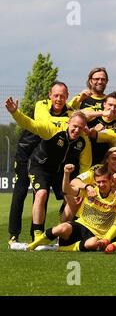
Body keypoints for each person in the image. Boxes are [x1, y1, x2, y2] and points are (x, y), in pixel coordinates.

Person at [5, 97, 92, 241]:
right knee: (42, 193)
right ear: (68, 122)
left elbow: (85, 168)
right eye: (74, 126)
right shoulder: (53, 129)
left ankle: (61, 234)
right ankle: (38, 235)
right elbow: (30, 124)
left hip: (60, 173)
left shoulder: (84, 141)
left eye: (81, 128)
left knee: (73, 199)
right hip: (40, 167)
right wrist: (15, 112)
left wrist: (82, 186)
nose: (77, 130)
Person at [8, 82, 72, 245]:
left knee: (41, 194)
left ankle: (36, 236)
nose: (59, 99)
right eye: (56, 95)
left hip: (46, 159)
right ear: (49, 95)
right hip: (26, 153)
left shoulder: (70, 110)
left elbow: (80, 116)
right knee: (20, 193)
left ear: (67, 97)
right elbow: (42, 123)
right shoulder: (41, 105)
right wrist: (16, 112)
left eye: (62, 96)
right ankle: (13, 235)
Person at [26, 164, 116, 252]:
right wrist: (66, 174)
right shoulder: (90, 191)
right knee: (61, 228)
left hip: (97, 235)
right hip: (80, 226)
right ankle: (33, 245)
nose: (101, 185)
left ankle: (63, 248)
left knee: (92, 243)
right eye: (99, 182)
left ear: (110, 181)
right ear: (95, 182)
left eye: (104, 181)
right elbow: (66, 190)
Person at [82, 92, 116, 165]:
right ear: (104, 104)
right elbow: (77, 114)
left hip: (109, 159)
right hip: (88, 154)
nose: (112, 109)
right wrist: (102, 113)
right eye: (110, 105)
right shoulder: (95, 113)